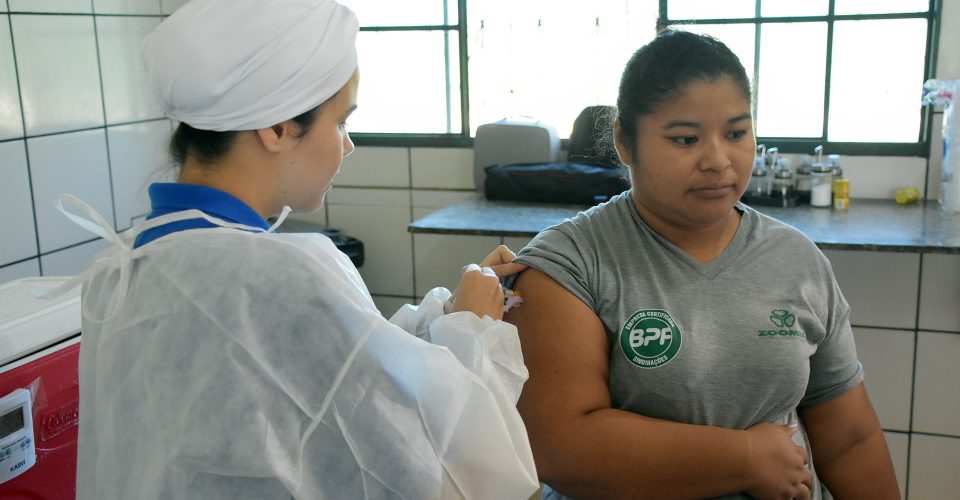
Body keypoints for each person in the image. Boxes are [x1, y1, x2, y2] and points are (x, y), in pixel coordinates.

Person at [59, 1, 538, 498]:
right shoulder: (284, 274)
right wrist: (474, 335)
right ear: (277, 127)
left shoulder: (117, 271)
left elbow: (326, 380)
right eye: (341, 123)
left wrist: (441, 317)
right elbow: (435, 469)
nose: (347, 146)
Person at [506, 30, 899, 500]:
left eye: (736, 133)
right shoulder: (570, 263)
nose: (718, 160)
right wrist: (747, 459)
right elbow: (562, 447)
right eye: (685, 139)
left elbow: (851, 440)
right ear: (625, 141)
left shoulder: (797, 260)